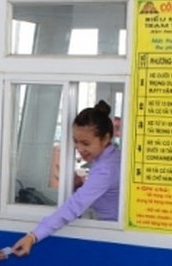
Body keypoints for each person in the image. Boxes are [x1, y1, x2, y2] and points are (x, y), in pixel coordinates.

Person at [11, 100, 121, 257]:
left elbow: (74, 206)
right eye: (76, 142)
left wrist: (33, 236)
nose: (80, 149)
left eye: (86, 143)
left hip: (111, 238)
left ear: (105, 139)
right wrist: (82, 185)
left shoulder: (106, 169)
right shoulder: (112, 158)